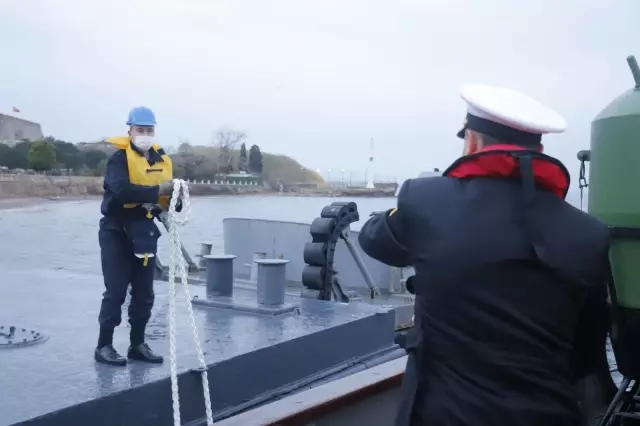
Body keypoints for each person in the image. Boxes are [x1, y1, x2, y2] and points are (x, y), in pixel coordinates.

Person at [358, 84, 613, 425]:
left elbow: (374, 240)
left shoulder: (426, 202)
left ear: (472, 142)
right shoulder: (590, 235)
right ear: (538, 148)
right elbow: (587, 354)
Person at [95, 106, 178, 366]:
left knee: (144, 293)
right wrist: (157, 192)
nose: (144, 134)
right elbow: (121, 190)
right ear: (129, 130)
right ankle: (104, 345)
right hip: (116, 230)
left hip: (145, 229)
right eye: (140, 129)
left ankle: (137, 345)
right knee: (116, 290)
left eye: (149, 130)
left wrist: (175, 197)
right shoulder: (118, 159)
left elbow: (169, 200)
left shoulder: (160, 160)